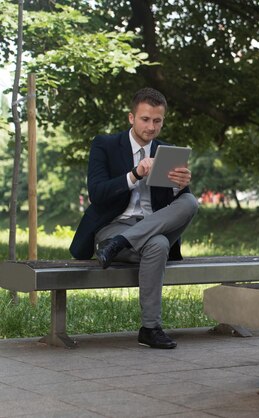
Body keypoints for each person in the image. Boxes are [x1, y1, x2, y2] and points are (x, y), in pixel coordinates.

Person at [70, 87, 198, 349]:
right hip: (112, 226)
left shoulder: (166, 151)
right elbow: (97, 192)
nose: (151, 127)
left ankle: (121, 244)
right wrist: (135, 174)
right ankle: (151, 328)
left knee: (190, 201)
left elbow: (174, 206)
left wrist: (180, 185)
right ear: (131, 118)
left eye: (157, 121)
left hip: (143, 229)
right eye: (145, 119)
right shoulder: (104, 145)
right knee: (159, 244)